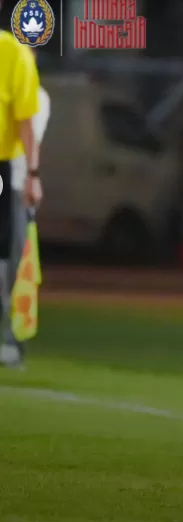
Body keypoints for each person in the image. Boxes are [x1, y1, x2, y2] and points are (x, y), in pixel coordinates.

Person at [0, 31, 44, 369]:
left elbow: (27, 124)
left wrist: (32, 175)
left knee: (7, 259)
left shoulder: (13, 55)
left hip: (5, 173)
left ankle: (8, 339)